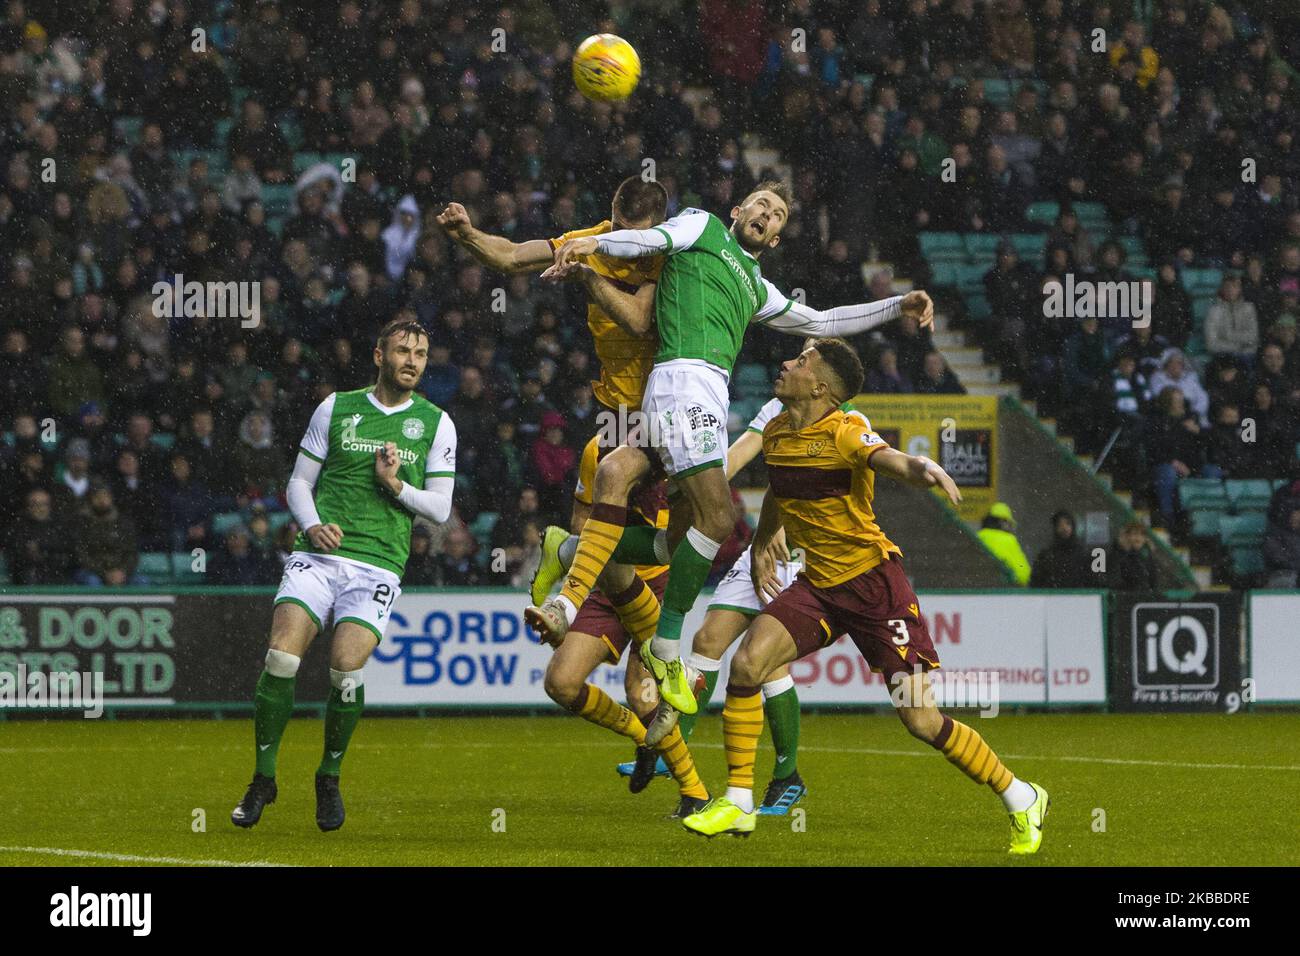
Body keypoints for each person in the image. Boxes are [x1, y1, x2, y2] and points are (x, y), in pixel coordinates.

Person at [528, 182, 935, 743]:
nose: (768, 216)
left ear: (775, 236)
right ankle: (667, 647)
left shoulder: (754, 285)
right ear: (738, 210)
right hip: (683, 384)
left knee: (683, 534)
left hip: (703, 398)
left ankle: (572, 549)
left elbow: (823, 322)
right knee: (719, 521)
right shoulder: (702, 226)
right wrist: (587, 249)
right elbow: (651, 237)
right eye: (761, 205)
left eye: (779, 216)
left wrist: (898, 304)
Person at [679, 338, 1049, 855]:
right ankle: (739, 802)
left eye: (801, 362)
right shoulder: (779, 433)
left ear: (820, 386)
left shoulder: (845, 429)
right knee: (747, 665)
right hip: (818, 587)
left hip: (876, 588)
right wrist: (764, 540)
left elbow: (888, 458)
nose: (787, 363)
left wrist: (923, 469)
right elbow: (783, 500)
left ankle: (1021, 794)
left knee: (920, 719)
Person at [230, 318, 457, 833]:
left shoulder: (436, 422)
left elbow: (441, 510)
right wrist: (311, 526)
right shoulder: (337, 407)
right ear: (379, 355)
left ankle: (328, 776)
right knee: (281, 657)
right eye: (402, 350)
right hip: (317, 555)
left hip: (378, 563)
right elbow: (297, 483)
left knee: (345, 673)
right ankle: (263, 778)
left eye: (421, 353)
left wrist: (395, 487)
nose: (412, 361)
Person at [1030, 510, 1093, 588]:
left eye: (1068, 524)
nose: (1064, 528)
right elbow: (1037, 582)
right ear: (1055, 528)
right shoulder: (1046, 556)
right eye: (1060, 525)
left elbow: (1091, 581)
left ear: (1073, 527)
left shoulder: (1084, 554)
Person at [977, 502, 1031, 585]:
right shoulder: (1008, 540)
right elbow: (1023, 574)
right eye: (1009, 523)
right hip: (1003, 591)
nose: (1010, 527)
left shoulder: (978, 537)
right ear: (1003, 522)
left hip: (977, 588)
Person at [1106, 520, 1158, 590]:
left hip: (1144, 598)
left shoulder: (1148, 556)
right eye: (1135, 534)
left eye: (1142, 534)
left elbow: (1154, 583)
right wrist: (1124, 550)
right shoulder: (1116, 555)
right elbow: (1114, 581)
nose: (1138, 538)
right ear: (1126, 537)